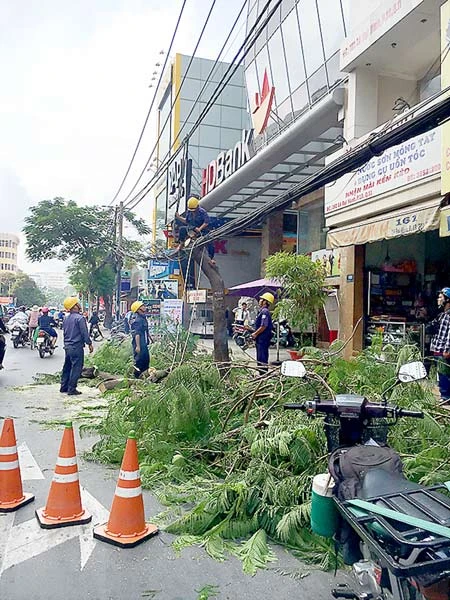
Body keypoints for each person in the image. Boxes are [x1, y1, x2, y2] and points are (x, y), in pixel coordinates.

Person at [60, 297, 93, 395]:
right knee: (76, 367)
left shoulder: (66, 318)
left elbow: (65, 332)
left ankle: (63, 386)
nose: (79, 305)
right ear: (74, 306)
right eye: (77, 304)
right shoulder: (80, 318)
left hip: (67, 346)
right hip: (76, 346)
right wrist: (89, 344)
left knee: (67, 366)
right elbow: (84, 333)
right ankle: (72, 389)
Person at [175, 196, 216, 265]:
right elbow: (187, 221)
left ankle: (211, 258)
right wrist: (179, 218)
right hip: (192, 228)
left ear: (197, 206)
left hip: (203, 230)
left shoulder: (202, 212)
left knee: (209, 241)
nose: (192, 212)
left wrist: (199, 229)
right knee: (182, 229)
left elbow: (206, 222)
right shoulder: (189, 212)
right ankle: (181, 244)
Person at [430, 287, 450, 405]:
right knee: (441, 373)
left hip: (443, 349)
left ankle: (446, 396)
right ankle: (444, 395)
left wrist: (447, 349)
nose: (438, 299)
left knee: (444, 373)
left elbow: (449, 334)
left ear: (447, 299)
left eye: (441, 297)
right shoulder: (442, 314)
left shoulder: (448, 316)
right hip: (438, 348)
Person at [251, 292, 274, 372]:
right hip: (260, 339)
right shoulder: (261, 311)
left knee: (262, 358)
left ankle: (263, 374)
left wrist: (255, 334)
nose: (259, 301)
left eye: (261, 299)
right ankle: (261, 373)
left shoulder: (265, 312)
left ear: (265, 302)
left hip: (263, 339)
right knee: (260, 358)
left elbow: (264, 326)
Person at [129, 300, 150, 378]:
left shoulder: (143, 317)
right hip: (139, 344)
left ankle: (144, 376)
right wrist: (138, 346)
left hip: (143, 343)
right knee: (139, 361)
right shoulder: (137, 320)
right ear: (138, 309)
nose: (144, 307)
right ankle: (136, 377)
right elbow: (137, 334)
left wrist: (150, 338)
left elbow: (146, 330)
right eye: (142, 306)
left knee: (146, 360)